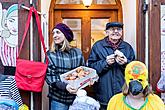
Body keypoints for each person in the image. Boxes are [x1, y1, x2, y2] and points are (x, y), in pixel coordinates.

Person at [87, 22, 135, 109]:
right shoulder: (98, 46)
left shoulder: (127, 47)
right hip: (104, 93)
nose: (116, 31)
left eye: (119, 29)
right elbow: (91, 68)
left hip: (123, 92)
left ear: (122, 32)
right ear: (107, 32)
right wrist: (105, 63)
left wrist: (126, 63)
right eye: (112, 29)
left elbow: (134, 70)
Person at [45, 23, 85, 110]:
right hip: (58, 99)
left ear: (66, 35)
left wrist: (89, 79)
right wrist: (65, 86)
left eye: (58, 32)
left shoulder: (78, 53)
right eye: (53, 33)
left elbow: (83, 71)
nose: (55, 35)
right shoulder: (51, 54)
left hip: (76, 98)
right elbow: (50, 76)